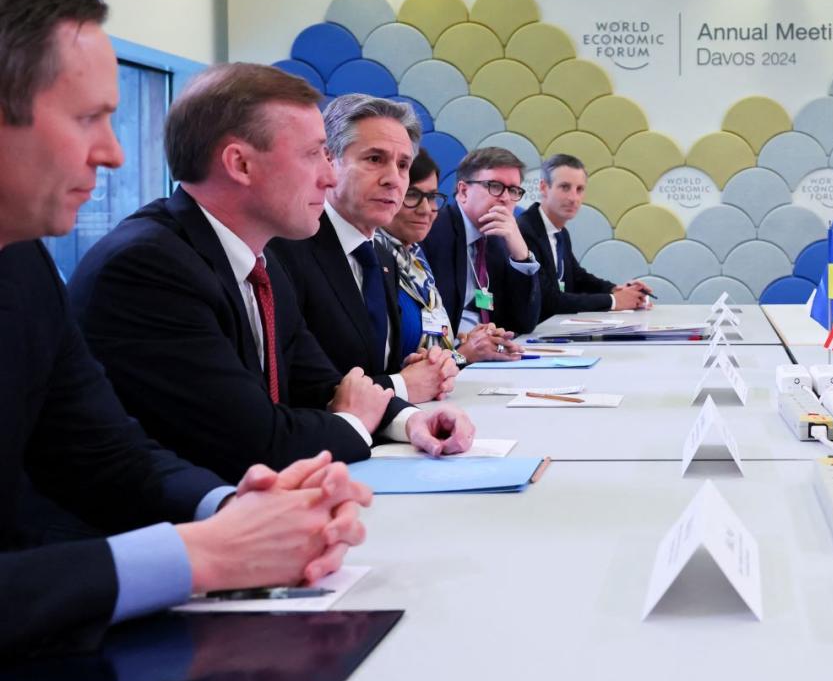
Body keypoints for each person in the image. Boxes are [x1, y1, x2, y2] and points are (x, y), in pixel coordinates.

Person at [0, 0, 368, 658]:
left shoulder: (22, 264)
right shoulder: (139, 263)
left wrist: (241, 511)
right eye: (88, 118)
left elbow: (109, 453)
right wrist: (201, 555)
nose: (112, 153)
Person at [69, 63, 473, 483]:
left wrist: (409, 423)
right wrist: (355, 423)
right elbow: (255, 442)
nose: (328, 175)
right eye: (314, 154)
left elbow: (322, 383)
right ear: (240, 165)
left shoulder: (260, 259)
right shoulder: (148, 268)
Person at [269, 94, 460, 401]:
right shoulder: (285, 250)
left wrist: (420, 368)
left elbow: (372, 366)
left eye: (403, 165)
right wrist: (401, 386)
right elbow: (300, 386)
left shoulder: (383, 257)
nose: (393, 180)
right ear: (328, 160)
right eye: (375, 159)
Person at [378, 149, 521, 364]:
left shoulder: (414, 255)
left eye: (432, 197)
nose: (426, 209)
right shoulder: (382, 253)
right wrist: (464, 353)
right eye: (412, 195)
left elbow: (521, 319)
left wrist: (461, 342)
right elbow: (396, 362)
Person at [423, 147, 543, 335]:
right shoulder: (433, 232)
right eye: (494, 186)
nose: (505, 198)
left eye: (513, 190)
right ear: (463, 192)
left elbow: (524, 322)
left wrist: (521, 255)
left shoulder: (499, 240)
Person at [519, 153, 652, 318]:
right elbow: (548, 299)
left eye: (579, 189)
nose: (574, 198)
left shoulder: (561, 233)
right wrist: (614, 301)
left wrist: (618, 290)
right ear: (544, 188)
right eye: (565, 187)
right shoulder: (525, 231)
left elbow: (577, 277)